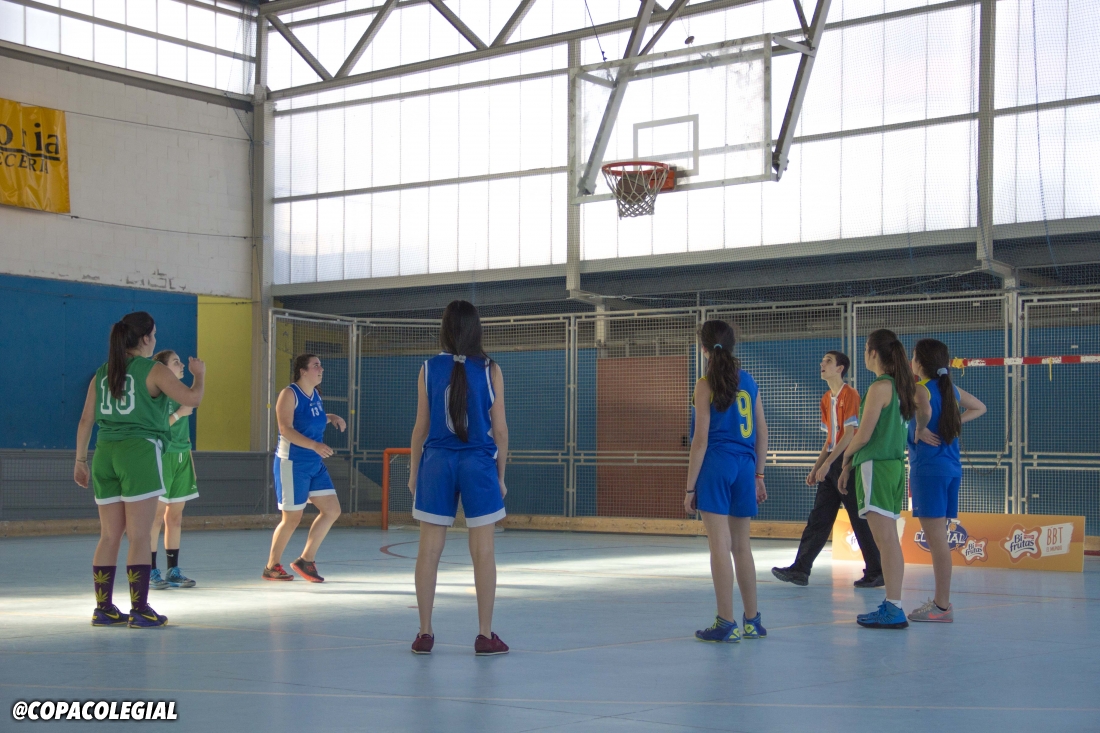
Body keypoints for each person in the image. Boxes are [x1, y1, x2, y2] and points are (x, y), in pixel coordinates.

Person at [74, 312, 205, 628]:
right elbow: (192, 398)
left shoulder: (103, 372)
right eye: (154, 335)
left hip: (104, 454)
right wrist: (199, 375)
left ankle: (103, 609)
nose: (155, 340)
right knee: (139, 536)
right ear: (145, 338)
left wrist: (80, 461)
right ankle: (140, 609)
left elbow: (86, 419)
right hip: (139, 454)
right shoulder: (153, 370)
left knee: (109, 536)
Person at [408, 300, 510, 656]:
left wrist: (414, 473)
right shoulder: (490, 369)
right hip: (477, 462)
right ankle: (484, 635)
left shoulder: (428, 368)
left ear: (445, 328)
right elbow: (500, 431)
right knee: (483, 551)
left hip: (436, 462)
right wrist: (500, 476)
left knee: (428, 551)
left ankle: (424, 633)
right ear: (476, 328)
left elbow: (420, 428)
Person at [685, 320, 769, 643]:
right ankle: (753, 621)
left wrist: (690, 488)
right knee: (742, 546)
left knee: (719, 545)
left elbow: (700, 441)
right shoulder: (748, 381)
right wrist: (759, 474)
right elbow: (762, 431)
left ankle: (726, 622)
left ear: (703, 348)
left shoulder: (705, 384)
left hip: (717, 464)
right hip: (745, 466)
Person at [773, 352, 883, 588]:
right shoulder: (826, 399)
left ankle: (876, 570)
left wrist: (829, 464)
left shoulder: (850, 394)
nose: (822, 364)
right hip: (833, 460)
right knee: (819, 518)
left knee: (858, 518)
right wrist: (817, 467)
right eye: (822, 360)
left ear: (840, 368)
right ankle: (800, 569)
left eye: (828, 361)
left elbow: (850, 434)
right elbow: (831, 439)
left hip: (848, 460)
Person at [838, 329, 916, 630]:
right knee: (888, 540)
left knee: (886, 541)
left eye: (865, 349)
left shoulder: (880, 387)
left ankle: (894, 607)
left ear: (873, 352)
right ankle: (892, 604)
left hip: (876, 466)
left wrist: (844, 460)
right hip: (894, 467)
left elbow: (863, 435)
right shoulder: (902, 387)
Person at [906, 339, 986, 623]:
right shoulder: (949, 388)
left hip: (929, 470)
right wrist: (951, 423)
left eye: (913, 356)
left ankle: (941, 606)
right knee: (940, 539)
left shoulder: (922, 388)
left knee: (938, 542)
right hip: (951, 469)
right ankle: (941, 603)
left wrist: (921, 427)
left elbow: (925, 410)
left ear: (919, 362)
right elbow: (979, 407)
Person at [264, 354, 347, 583]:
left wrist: (331, 417)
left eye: (321, 365)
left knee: (332, 510)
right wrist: (314, 445)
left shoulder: (315, 395)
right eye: (315, 365)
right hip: (292, 463)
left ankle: (306, 560)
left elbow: (312, 418)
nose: (321, 369)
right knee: (292, 518)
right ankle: (271, 566)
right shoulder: (289, 394)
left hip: (314, 463)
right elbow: (285, 429)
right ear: (302, 371)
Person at [149, 350, 199, 590]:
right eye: (176, 362)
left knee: (175, 517)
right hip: (163, 456)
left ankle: (173, 570)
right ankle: (150, 570)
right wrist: (179, 414)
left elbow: (184, 434)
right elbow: (155, 427)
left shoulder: (181, 393)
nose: (181, 365)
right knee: (155, 517)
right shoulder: (156, 394)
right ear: (162, 368)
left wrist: (191, 463)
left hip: (182, 457)